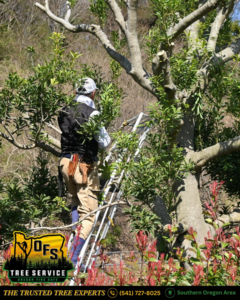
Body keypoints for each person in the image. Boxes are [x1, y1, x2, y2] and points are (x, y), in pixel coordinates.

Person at [58, 77, 111, 267]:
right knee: (89, 214)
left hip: (66, 163)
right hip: (84, 165)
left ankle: (73, 241)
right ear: (93, 93)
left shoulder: (64, 111)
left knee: (75, 200)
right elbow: (105, 142)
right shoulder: (92, 113)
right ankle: (72, 259)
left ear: (75, 92)